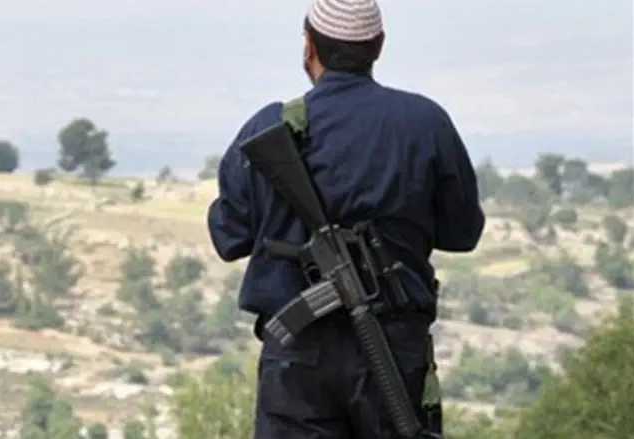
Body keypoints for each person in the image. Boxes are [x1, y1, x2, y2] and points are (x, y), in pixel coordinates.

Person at [206, 0, 485, 437]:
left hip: (299, 361)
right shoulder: (425, 123)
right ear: (378, 46)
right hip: (394, 345)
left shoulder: (269, 126)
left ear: (309, 45)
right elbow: (463, 231)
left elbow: (228, 234)